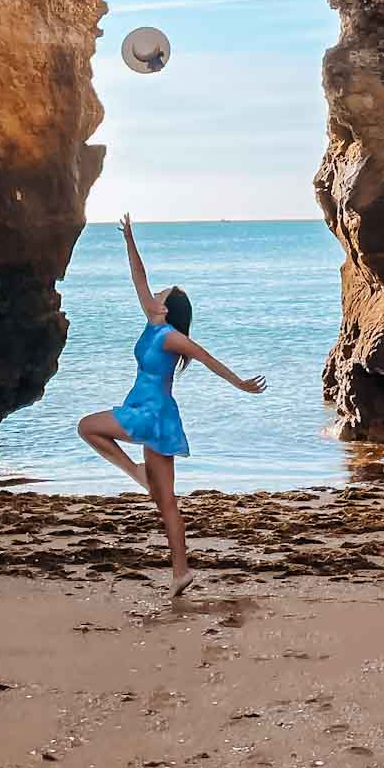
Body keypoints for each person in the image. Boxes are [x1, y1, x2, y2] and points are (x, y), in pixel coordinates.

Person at [77, 213, 267, 597]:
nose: (155, 295)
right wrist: (129, 239)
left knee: (87, 426)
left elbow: (206, 357)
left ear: (167, 308)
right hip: (155, 414)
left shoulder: (169, 337)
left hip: (151, 413)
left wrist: (240, 384)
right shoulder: (153, 323)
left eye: (161, 294)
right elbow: (139, 278)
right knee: (166, 503)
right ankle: (181, 573)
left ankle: (134, 471)